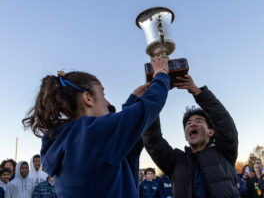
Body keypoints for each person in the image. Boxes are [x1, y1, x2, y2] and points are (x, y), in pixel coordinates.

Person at [22, 56, 170, 198]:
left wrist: (132, 101)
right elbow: (146, 108)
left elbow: (127, 148)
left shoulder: (65, 139)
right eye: (103, 93)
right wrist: (161, 74)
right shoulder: (92, 134)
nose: (108, 103)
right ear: (87, 98)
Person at [142, 75, 240, 197]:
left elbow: (224, 123)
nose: (192, 124)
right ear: (185, 136)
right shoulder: (176, 161)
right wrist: (154, 97)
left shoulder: (224, 152)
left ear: (211, 132)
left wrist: (197, 92)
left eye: (199, 121)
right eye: (188, 123)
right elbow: (152, 140)